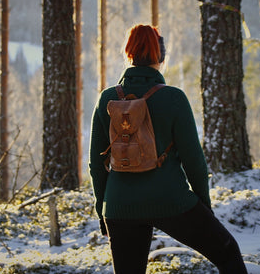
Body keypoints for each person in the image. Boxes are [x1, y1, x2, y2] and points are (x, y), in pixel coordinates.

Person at [89, 24, 248, 274]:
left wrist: (103, 211)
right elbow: (193, 160)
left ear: (128, 54)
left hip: (119, 205)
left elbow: (96, 165)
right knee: (227, 252)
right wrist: (204, 208)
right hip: (171, 200)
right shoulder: (173, 98)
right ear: (160, 58)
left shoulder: (107, 98)